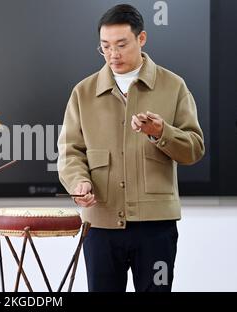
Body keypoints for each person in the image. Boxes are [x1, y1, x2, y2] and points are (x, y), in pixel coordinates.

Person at [57, 4, 205, 292]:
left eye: (121, 44)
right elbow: (70, 152)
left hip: (156, 226)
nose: (113, 54)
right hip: (100, 225)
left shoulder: (173, 86)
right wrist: (80, 182)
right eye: (105, 47)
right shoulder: (83, 92)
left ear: (142, 39)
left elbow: (195, 148)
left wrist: (162, 133)